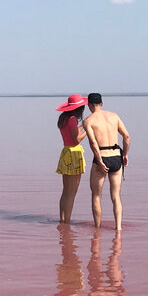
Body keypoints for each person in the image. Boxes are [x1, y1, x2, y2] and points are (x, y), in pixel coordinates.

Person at [82, 92, 131, 231]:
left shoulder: (88, 120)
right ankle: (119, 228)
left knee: (96, 195)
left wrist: (99, 161)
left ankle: (97, 229)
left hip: (101, 157)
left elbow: (92, 142)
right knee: (116, 196)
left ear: (88, 105)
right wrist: (125, 154)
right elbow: (126, 136)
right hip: (117, 157)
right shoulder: (114, 116)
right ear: (102, 104)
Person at [54, 94, 88, 224]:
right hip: (74, 154)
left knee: (65, 191)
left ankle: (62, 219)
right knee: (72, 192)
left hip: (66, 152)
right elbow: (77, 139)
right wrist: (89, 131)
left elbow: (72, 132)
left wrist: (84, 125)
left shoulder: (64, 119)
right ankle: (67, 222)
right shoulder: (73, 119)